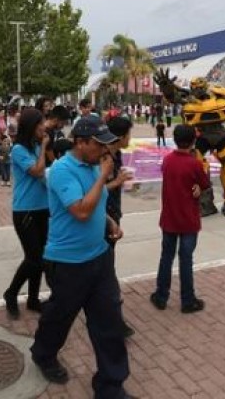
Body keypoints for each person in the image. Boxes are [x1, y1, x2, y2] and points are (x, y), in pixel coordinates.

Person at [30, 115, 130, 397]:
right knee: (60, 317)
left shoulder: (91, 165)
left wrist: (109, 223)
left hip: (99, 257)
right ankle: (43, 353)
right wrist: (102, 176)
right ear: (81, 142)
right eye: (99, 145)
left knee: (109, 323)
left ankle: (111, 385)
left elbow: (96, 204)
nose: (105, 151)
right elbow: (81, 210)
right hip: (67, 263)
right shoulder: (62, 170)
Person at [150, 125, 210, 314]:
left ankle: (161, 296)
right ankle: (187, 300)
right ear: (193, 141)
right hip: (188, 220)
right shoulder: (194, 163)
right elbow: (205, 183)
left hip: (169, 218)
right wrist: (198, 187)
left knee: (166, 257)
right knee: (186, 260)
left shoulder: (167, 160)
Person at [3, 107, 51, 319]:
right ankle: (11, 293)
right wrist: (44, 148)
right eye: (40, 124)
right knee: (34, 258)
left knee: (40, 257)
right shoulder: (19, 150)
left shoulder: (34, 146)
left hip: (43, 208)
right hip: (26, 211)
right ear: (31, 126)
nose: (44, 127)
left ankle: (33, 298)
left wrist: (43, 148)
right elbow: (38, 171)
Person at [105, 116, 137, 338]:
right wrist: (116, 182)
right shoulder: (105, 157)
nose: (130, 138)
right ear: (121, 136)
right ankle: (113, 319)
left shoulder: (117, 154)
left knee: (105, 268)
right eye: (129, 134)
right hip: (104, 218)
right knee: (105, 270)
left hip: (113, 214)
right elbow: (94, 190)